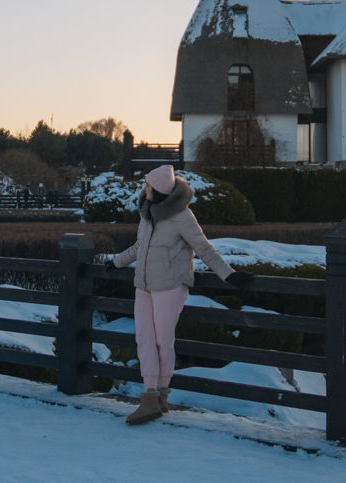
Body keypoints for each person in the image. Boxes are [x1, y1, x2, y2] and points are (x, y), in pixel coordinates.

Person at [106, 165, 252, 425]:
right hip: (144, 284)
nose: (145, 189)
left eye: (149, 185)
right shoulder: (147, 213)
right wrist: (116, 262)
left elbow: (203, 248)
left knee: (163, 339)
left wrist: (228, 274)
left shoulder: (182, 216)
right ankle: (150, 396)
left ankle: (161, 395)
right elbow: (140, 247)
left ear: (160, 191)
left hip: (171, 284)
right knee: (144, 339)